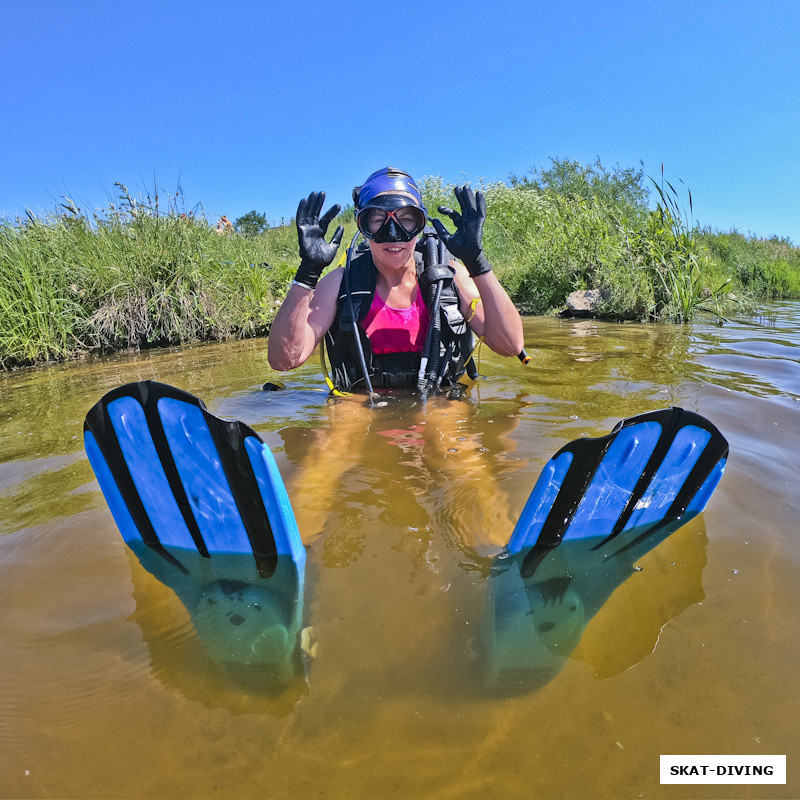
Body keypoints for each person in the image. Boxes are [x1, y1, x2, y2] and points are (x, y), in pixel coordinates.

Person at [267, 167, 524, 393]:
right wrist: (308, 273)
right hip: (358, 408)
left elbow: (510, 346)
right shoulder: (339, 284)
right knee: (335, 446)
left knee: (459, 445)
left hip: (442, 403)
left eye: (407, 220)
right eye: (378, 220)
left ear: (421, 224)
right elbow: (284, 360)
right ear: (362, 226)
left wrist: (477, 262)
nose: (393, 234)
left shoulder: (452, 277)